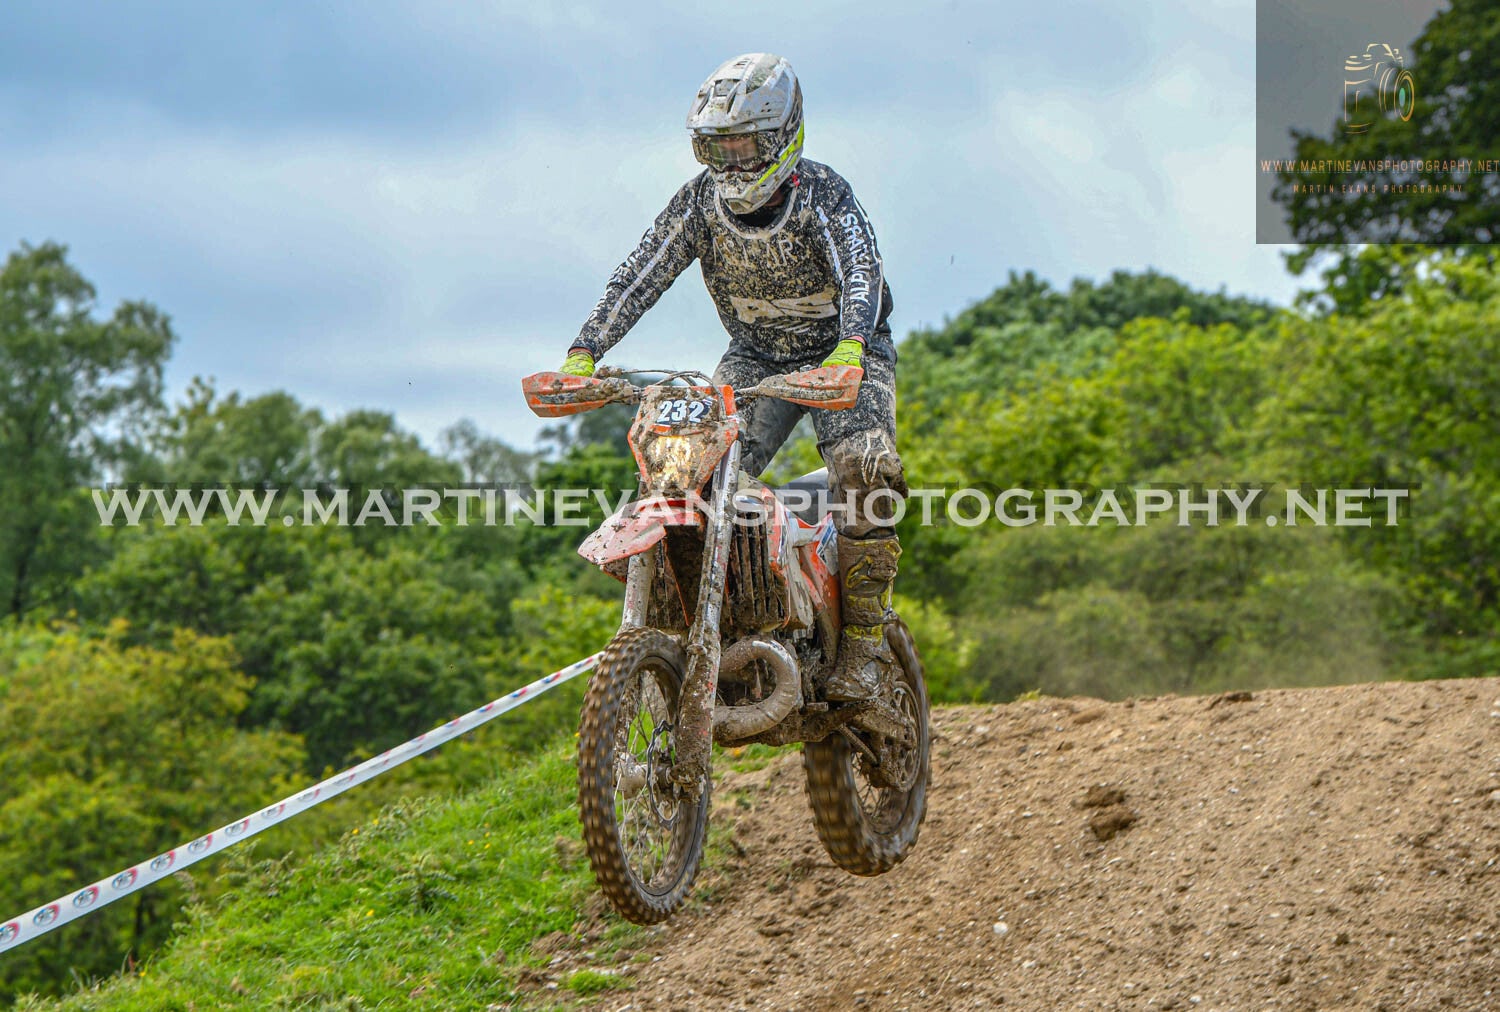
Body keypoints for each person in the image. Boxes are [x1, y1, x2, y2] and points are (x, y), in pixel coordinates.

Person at [559, 53, 907, 702]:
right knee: (682, 473)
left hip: (843, 353)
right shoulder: (699, 203)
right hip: (754, 357)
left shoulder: (823, 194)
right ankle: (709, 633)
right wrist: (585, 351)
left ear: (781, 136)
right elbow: (642, 272)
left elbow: (863, 270)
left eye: (743, 145)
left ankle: (864, 645)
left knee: (865, 470)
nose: (731, 163)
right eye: (715, 147)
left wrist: (852, 347)